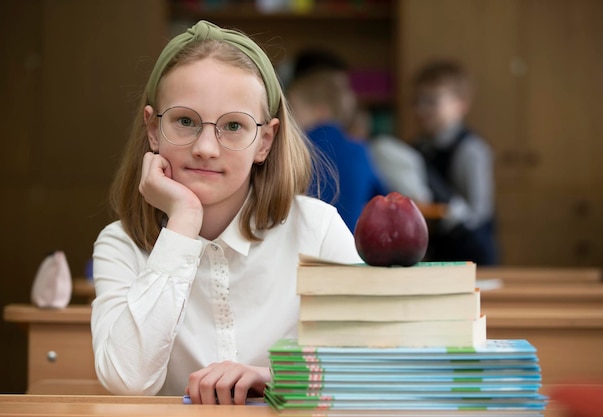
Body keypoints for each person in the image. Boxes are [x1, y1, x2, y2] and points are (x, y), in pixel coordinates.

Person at [91, 21, 362, 405]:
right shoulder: (120, 244)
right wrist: (183, 222)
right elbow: (127, 381)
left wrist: (273, 378)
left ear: (265, 141)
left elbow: (370, 364)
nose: (205, 147)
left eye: (233, 126)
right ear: (153, 129)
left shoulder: (316, 229)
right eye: (185, 121)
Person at [411, 60, 498, 265]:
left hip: (471, 253)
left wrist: (446, 211)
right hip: (438, 253)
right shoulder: (417, 148)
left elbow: (479, 212)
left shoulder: (470, 149)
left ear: (461, 104)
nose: (421, 109)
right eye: (417, 101)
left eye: (431, 101)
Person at [287, 69, 388, 232]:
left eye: (293, 110)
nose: (289, 119)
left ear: (320, 111)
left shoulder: (294, 149)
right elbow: (382, 199)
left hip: (302, 246)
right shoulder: (360, 151)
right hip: (349, 247)